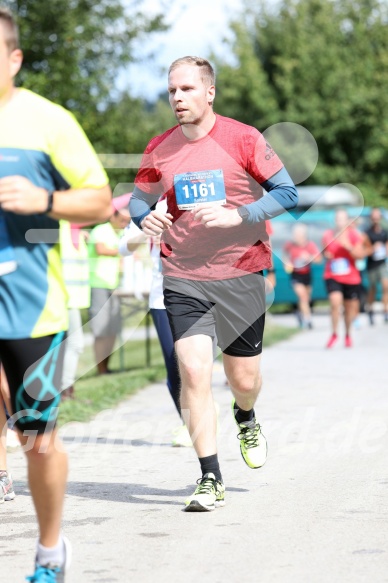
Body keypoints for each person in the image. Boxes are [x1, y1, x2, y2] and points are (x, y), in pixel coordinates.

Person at [130, 56, 298, 511]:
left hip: (240, 271)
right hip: (183, 275)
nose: (177, 99)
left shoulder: (243, 138)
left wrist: (238, 215)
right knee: (193, 372)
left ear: (209, 92)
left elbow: (287, 193)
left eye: (186, 89)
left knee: (243, 378)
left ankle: (246, 416)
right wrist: (147, 218)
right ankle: (210, 477)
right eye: (171, 91)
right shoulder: (159, 148)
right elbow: (138, 202)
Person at [0, 8, 111, 581]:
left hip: (30, 306)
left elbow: (98, 201)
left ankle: (49, 550)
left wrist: (43, 200)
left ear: (14, 59)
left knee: (36, 440)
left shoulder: (49, 122)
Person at [119, 198, 192, 447]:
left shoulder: (195, 193)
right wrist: (146, 229)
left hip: (200, 291)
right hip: (162, 294)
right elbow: (123, 247)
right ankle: (189, 423)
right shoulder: (148, 204)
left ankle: (202, 413)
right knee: (174, 365)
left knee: (194, 365)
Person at [88, 206, 130, 375]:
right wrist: (122, 252)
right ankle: (100, 369)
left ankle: (106, 367)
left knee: (112, 328)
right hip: (98, 283)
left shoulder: (120, 234)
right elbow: (101, 249)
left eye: (127, 221)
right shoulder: (100, 230)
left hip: (115, 285)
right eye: (122, 220)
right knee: (100, 330)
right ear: (113, 216)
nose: (124, 223)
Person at [322, 209, 365, 348]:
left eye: (342, 219)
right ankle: (334, 333)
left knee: (348, 308)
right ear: (335, 220)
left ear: (347, 221)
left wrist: (348, 246)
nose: (340, 221)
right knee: (335, 303)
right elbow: (324, 252)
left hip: (351, 277)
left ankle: (347, 334)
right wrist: (326, 254)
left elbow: (360, 256)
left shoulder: (354, 235)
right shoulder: (328, 235)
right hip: (332, 275)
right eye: (338, 219)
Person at [60, 222, 90, 399]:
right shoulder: (64, 227)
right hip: (63, 297)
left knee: (69, 345)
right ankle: (65, 390)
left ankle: (64, 389)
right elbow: (110, 206)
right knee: (75, 344)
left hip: (72, 299)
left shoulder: (76, 232)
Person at [283, 223, 321, 328]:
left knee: (306, 298)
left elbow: (319, 259)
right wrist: (287, 262)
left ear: (304, 235)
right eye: (295, 235)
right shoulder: (289, 245)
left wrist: (310, 257)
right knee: (302, 296)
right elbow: (285, 255)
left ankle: (300, 313)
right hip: (295, 275)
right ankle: (308, 320)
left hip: (307, 274)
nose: (296, 237)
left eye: (299, 235)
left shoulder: (310, 245)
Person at [363, 208, 388, 324]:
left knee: (385, 287)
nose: (376, 219)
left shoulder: (384, 231)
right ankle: (370, 310)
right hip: (371, 265)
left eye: (377, 217)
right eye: (374, 217)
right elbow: (364, 250)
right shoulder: (367, 233)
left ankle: (385, 311)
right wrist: (373, 249)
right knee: (372, 289)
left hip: (382, 263)